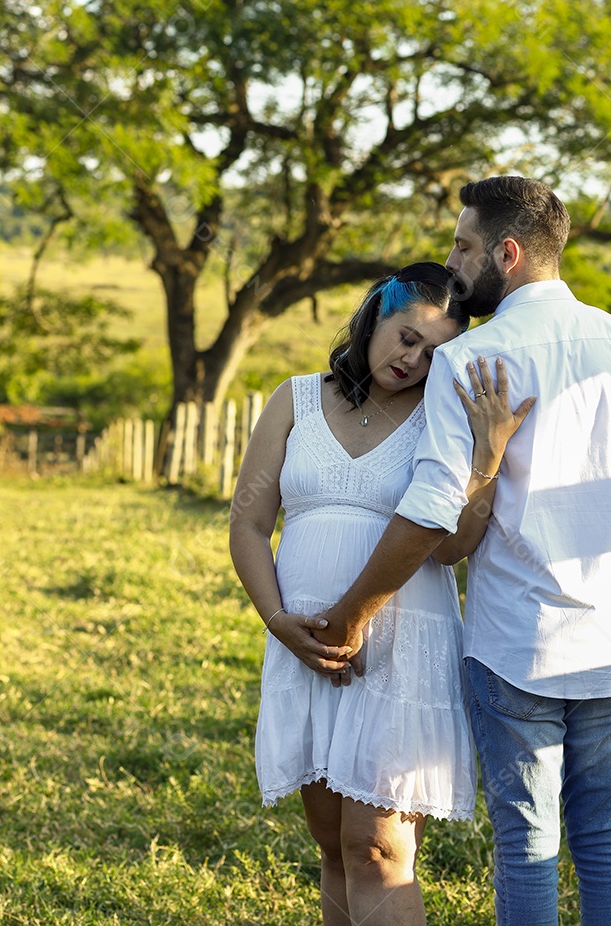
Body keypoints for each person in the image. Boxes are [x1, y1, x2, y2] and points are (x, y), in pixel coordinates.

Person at [320, 177, 611, 926]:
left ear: (508, 253)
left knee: (526, 844)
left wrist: (348, 613)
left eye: (463, 246)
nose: (453, 263)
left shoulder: (473, 360)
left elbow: (433, 514)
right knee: (605, 838)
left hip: (513, 644)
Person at [229, 261, 535, 926]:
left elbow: (452, 548)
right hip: (303, 644)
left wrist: (485, 459)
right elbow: (249, 523)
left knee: (378, 850)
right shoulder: (296, 399)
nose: (412, 359)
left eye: (432, 352)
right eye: (405, 337)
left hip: (402, 647)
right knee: (335, 848)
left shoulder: (440, 418)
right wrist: (277, 620)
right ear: (374, 317)